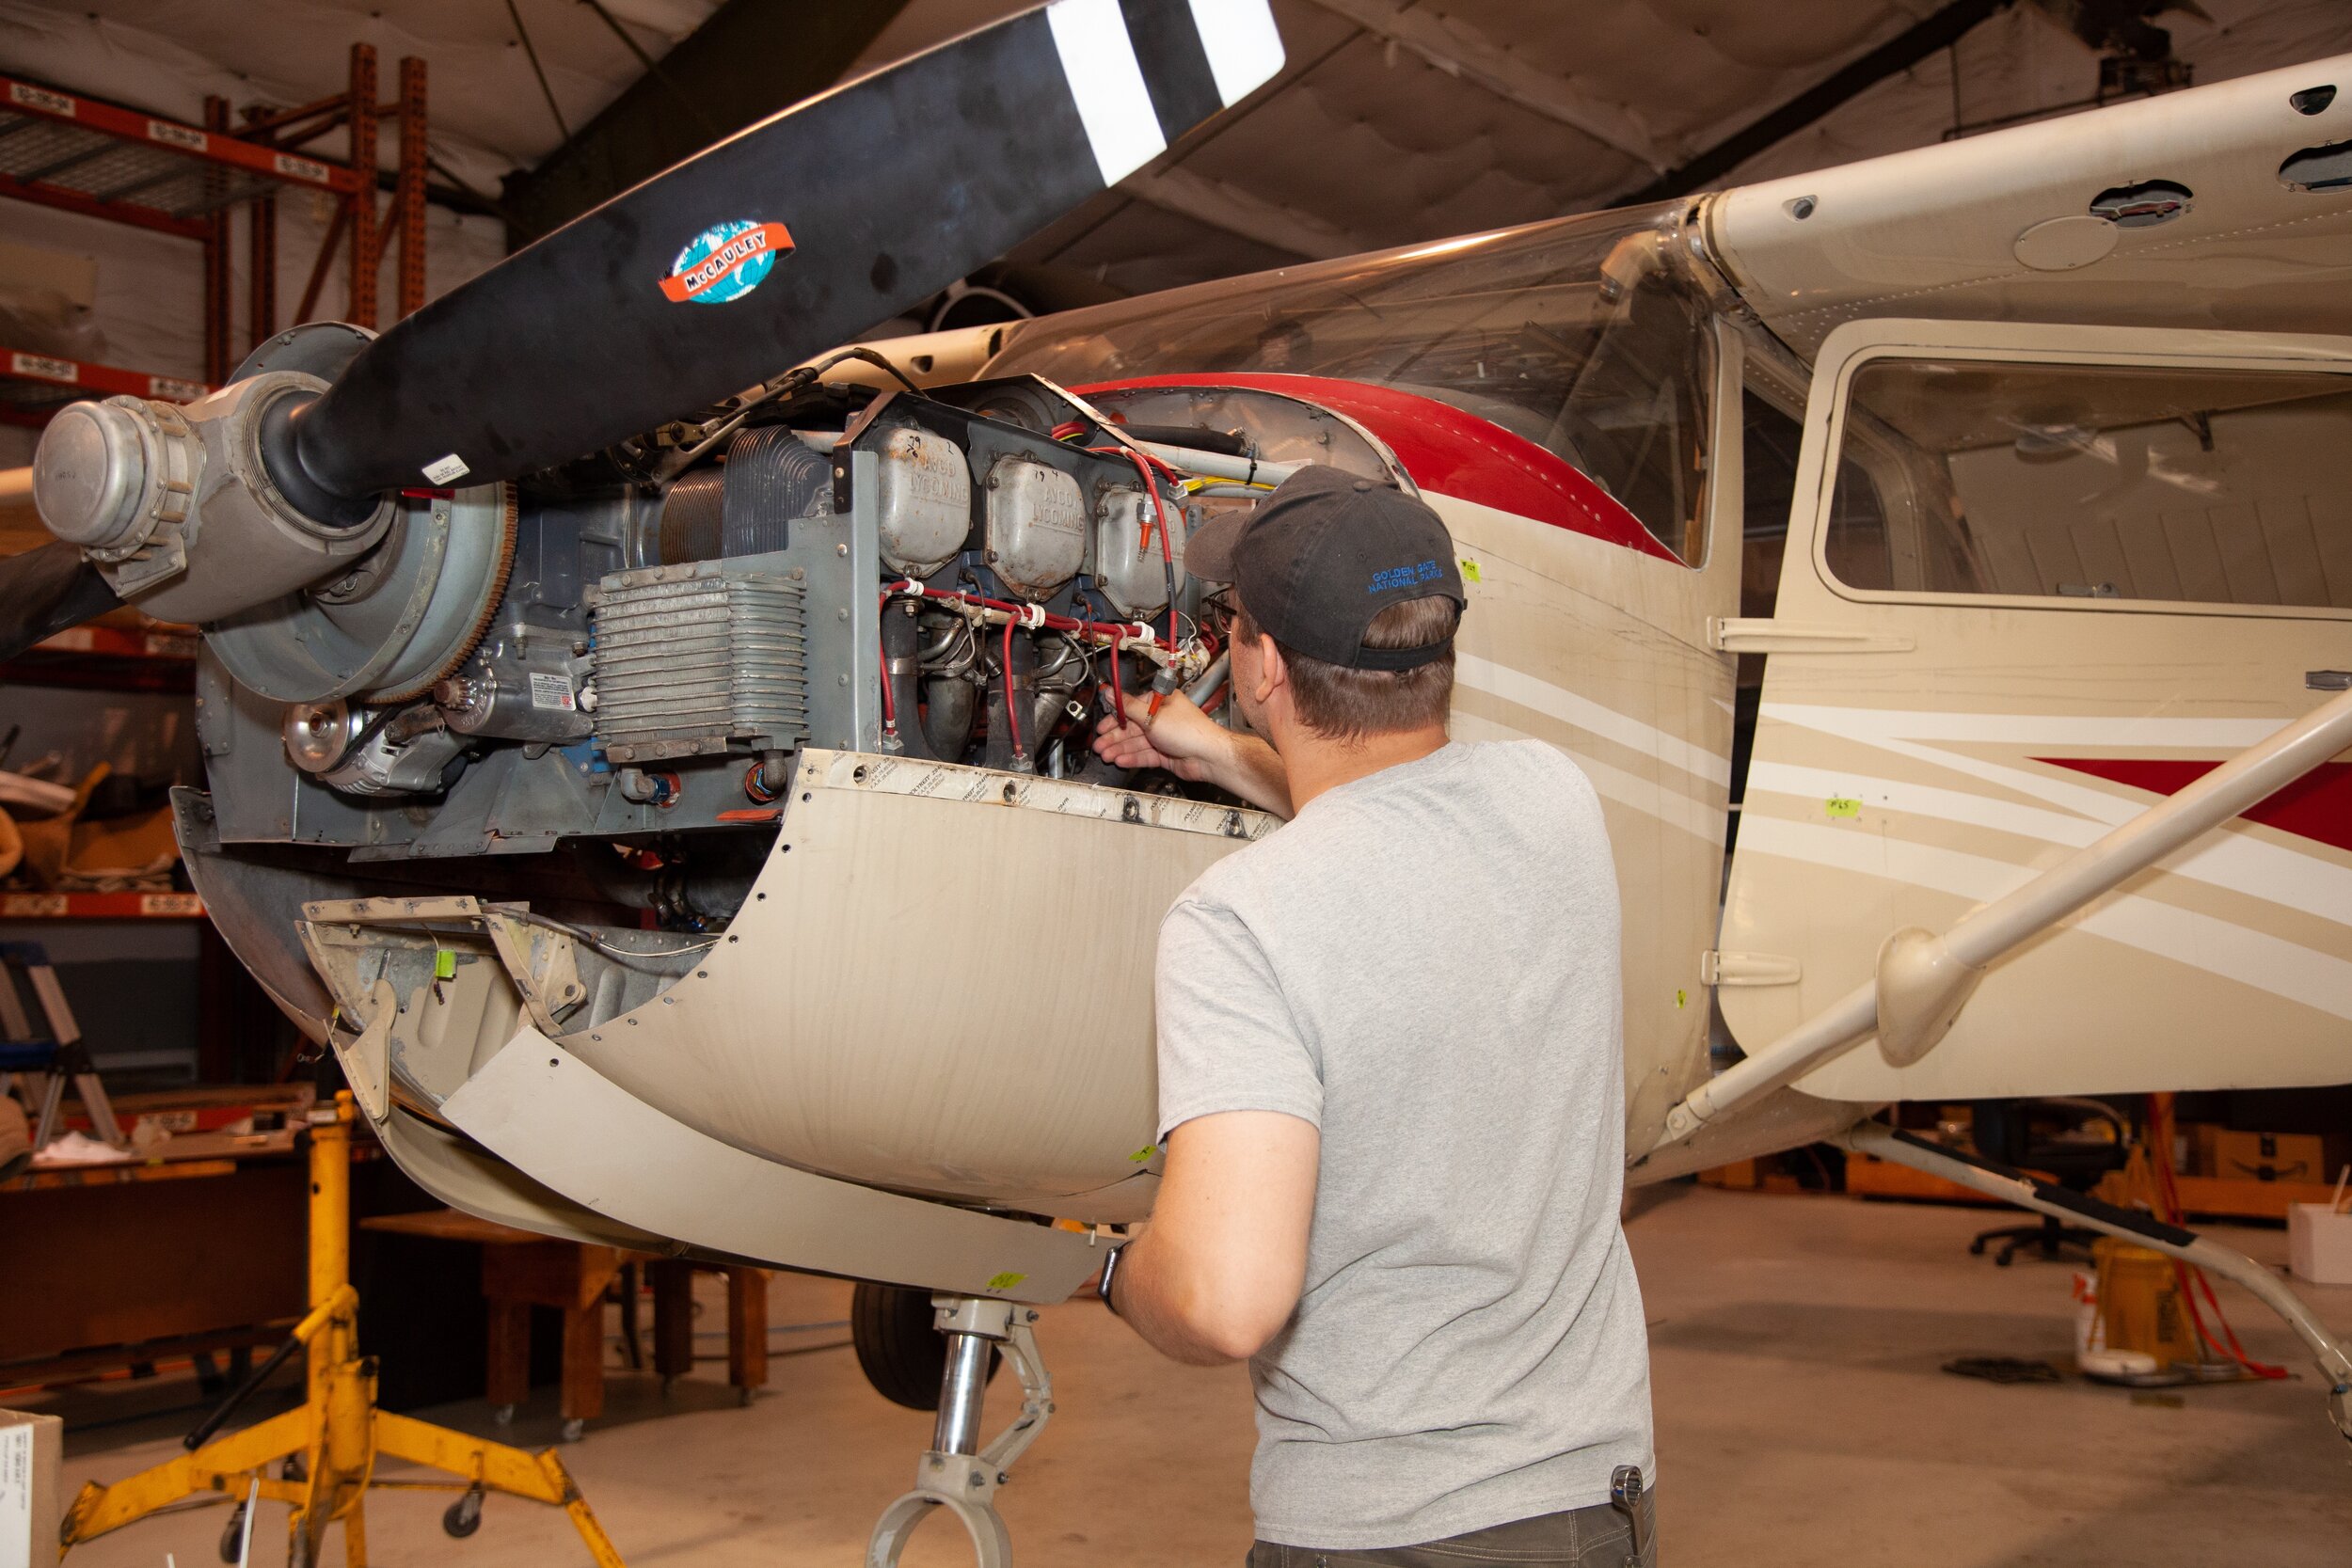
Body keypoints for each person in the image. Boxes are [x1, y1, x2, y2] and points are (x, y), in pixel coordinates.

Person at [1089, 465, 1657, 1566]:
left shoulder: (1238, 922)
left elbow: (1224, 1298)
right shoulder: (1554, 801)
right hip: (1590, 1502)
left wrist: (1116, 1269)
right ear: (1435, 643)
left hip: (1387, 1531)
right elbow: (1383, 813)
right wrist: (1206, 750)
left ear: (1256, 664)